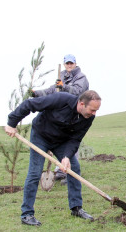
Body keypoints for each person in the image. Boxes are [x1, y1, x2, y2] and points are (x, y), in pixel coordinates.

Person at [5, 90, 101, 226]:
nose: (94, 114)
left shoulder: (88, 118)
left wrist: (67, 157)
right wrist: (11, 123)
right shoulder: (61, 99)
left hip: (61, 141)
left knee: (74, 167)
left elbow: (75, 139)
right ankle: (27, 214)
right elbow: (29, 104)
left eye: (96, 111)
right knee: (35, 172)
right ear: (81, 104)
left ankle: (76, 208)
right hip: (40, 136)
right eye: (92, 110)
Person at [33, 54, 89, 182]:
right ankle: (60, 169)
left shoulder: (81, 77)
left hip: (75, 114)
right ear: (64, 64)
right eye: (67, 63)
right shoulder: (61, 76)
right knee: (60, 141)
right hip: (62, 114)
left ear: (75, 64)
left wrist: (64, 86)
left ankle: (71, 172)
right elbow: (51, 91)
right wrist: (36, 93)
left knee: (70, 142)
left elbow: (78, 92)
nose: (69, 65)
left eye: (71, 63)